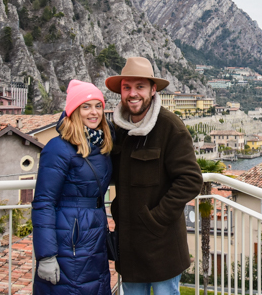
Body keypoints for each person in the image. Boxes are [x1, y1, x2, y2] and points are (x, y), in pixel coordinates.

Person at [106, 57, 203, 295]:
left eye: (140, 87)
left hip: (163, 245)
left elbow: (191, 180)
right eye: (127, 87)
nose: (132, 93)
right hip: (129, 247)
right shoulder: (119, 129)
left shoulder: (171, 127)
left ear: (152, 90)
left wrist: (156, 219)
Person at [32, 80, 113, 294]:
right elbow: (44, 202)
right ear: (74, 111)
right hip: (69, 240)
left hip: (93, 235)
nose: (94, 112)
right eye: (86, 106)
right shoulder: (58, 148)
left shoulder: (101, 144)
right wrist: (46, 255)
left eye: (98, 106)